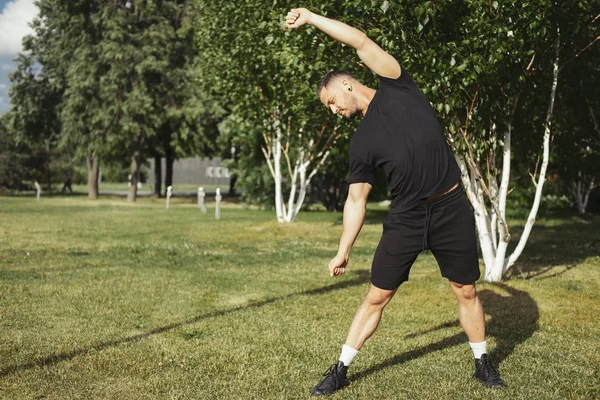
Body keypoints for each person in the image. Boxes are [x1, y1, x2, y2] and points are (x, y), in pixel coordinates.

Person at [285, 8, 506, 396]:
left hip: (450, 207)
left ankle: (482, 362)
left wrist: (312, 18)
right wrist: (343, 250)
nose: (335, 112)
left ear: (347, 86)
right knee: (377, 296)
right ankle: (340, 367)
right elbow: (357, 199)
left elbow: (359, 40)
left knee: (466, 290)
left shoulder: (397, 85)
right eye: (329, 109)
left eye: (333, 102)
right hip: (405, 218)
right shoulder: (361, 141)